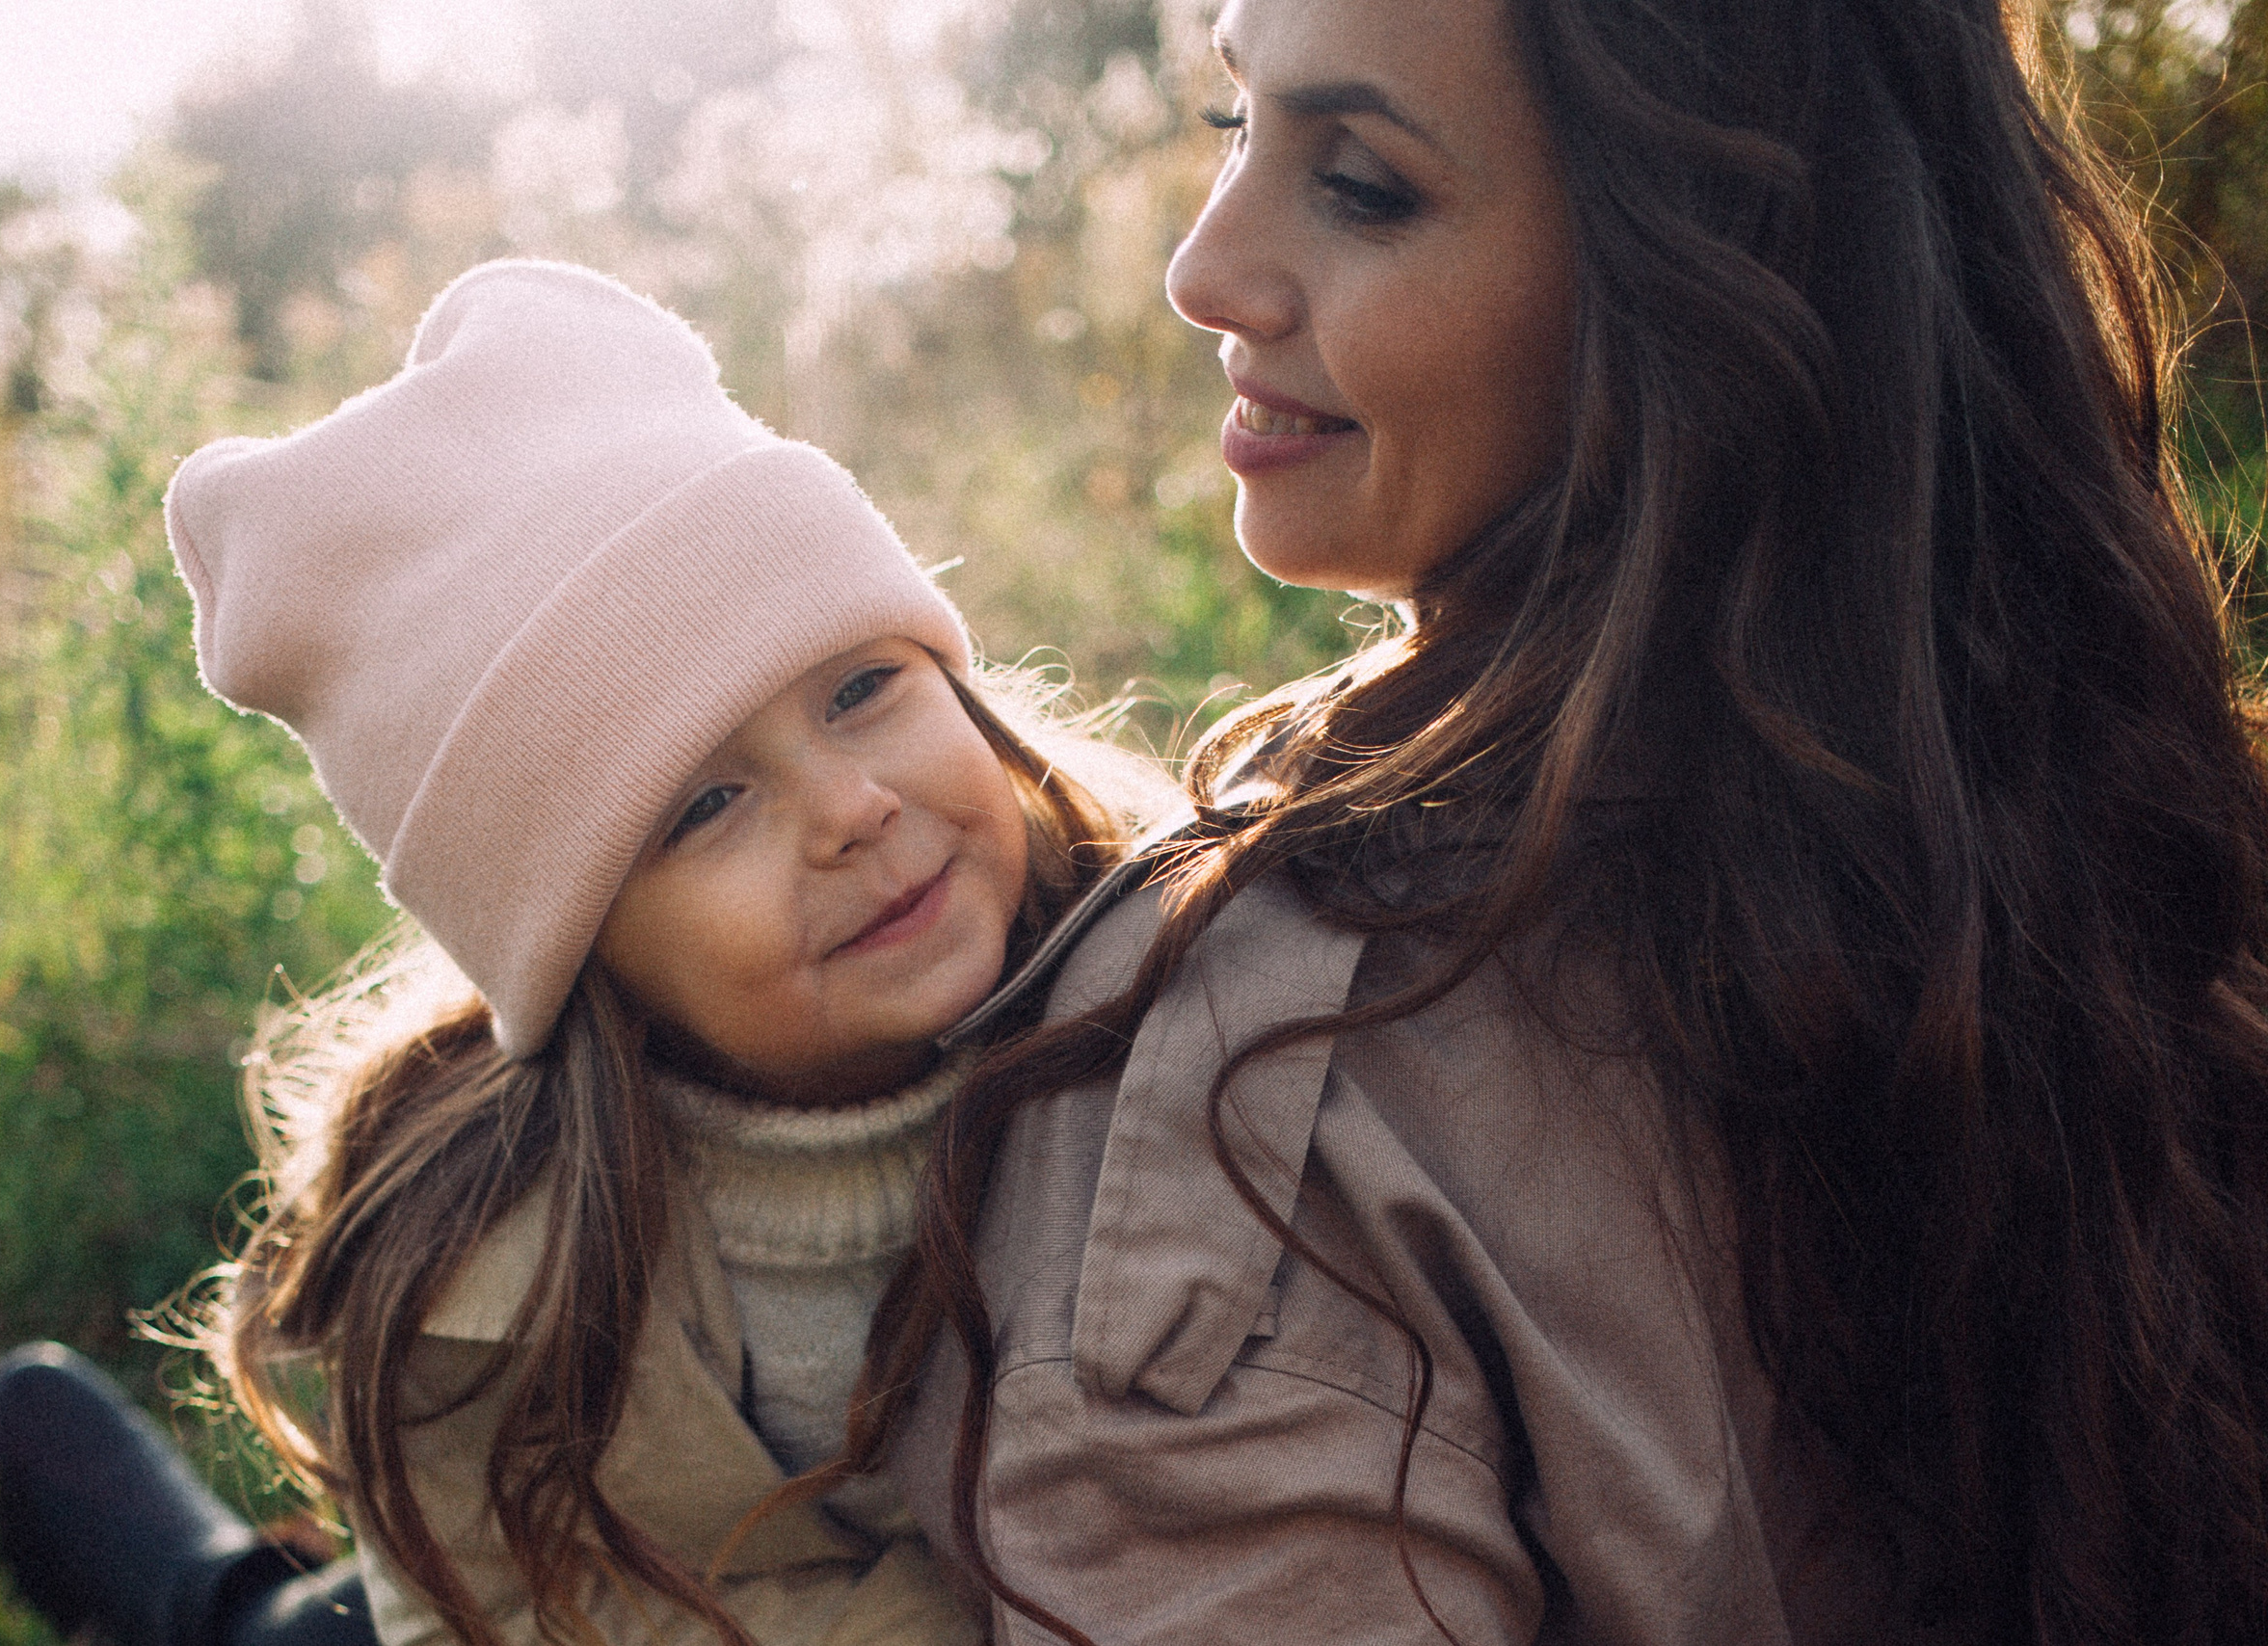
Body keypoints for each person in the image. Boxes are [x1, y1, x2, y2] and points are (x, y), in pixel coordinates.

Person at [825, 0, 2268, 1641]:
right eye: (1239, 127)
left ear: (1705, 272)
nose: (1204, 271)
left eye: (1362, 182)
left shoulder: (1252, 1089)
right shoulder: (2138, 843)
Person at [0, 258, 1175, 1646]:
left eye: (862, 687)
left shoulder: (1199, 982)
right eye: (706, 805)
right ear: (577, 946)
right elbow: (484, 1603)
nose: (851, 809)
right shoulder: (477, 1255)